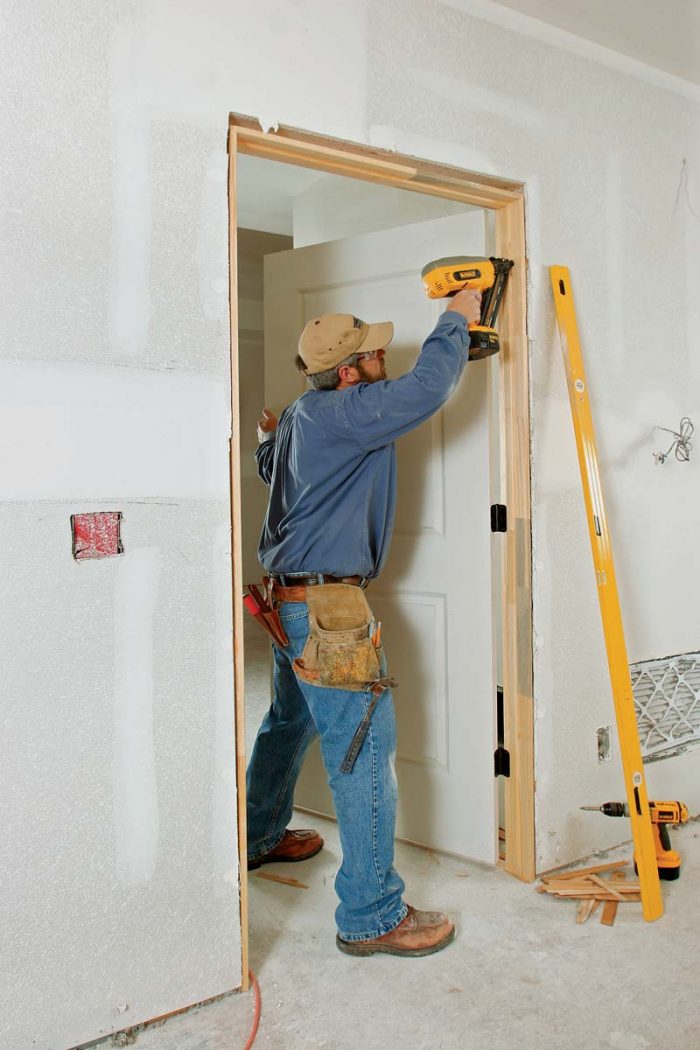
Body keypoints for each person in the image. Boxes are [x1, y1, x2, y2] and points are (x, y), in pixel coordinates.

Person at [246, 287, 482, 957]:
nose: (382, 359)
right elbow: (431, 386)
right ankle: (373, 915)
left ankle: (258, 834)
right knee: (363, 755)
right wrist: (457, 318)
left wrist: (270, 435)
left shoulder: (299, 415)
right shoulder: (349, 411)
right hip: (330, 613)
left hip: (289, 603)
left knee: (287, 724)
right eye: (373, 354)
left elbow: (273, 468)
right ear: (347, 372)